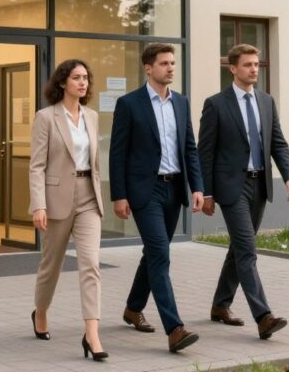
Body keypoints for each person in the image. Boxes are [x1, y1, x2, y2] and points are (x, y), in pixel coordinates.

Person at [198, 43, 289, 340]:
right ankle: (263, 316)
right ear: (233, 68)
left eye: (256, 64)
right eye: (248, 65)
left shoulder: (266, 101)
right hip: (231, 187)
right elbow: (206, 152)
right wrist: (206, 192)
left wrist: (288, 175)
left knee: (239, 248)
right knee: (247, 249)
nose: (254, 69)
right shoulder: (216, 104)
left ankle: (220, 305)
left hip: (259, 184)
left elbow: (277, 142)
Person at [109, 43, 204, 353]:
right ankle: (175, 328)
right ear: (148, 68)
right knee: (161, 253)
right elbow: (118, 152)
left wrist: (198, 187)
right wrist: (119, 195)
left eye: (172, 62)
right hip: (144, 191)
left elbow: (190, 147)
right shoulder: (129, 104)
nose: (171, 68)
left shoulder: (181, 103)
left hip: (174, 189)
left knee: (153, 253)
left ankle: (133, 308)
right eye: (164, 63)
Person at [30, 59, 108, 361]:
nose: (83, 83)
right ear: (63, 82)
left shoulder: (91, 116)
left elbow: (94, 161)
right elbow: (36, 165)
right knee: (51, 266)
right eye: (77, 77)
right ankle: (41, 312)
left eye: (86, 78)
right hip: (56, 198)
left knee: (91, 264)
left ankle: (92, 335)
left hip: (88, 195)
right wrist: (38, 204)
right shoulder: (46, 117)